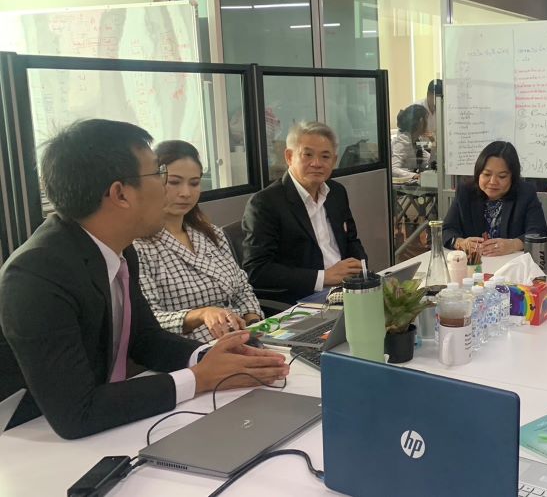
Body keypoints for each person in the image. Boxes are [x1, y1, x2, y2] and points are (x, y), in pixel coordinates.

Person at [0, 119, 288, 439]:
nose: (167, 189)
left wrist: (212, 357)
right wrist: (199, 378)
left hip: (105, 423)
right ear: (120, 194)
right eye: (158, 174)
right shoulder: (36, 276)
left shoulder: (119, 246)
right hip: (31, 440)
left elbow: (145, 338)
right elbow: (76, 412)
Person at [134, 140, 263, 343]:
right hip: (190, 348)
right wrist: (200, 315)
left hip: (241, 338)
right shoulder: (138, 246)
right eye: (174, 182)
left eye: (194, 183)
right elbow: (147, 320)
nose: (185, 193)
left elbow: (242, 288)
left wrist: (253, 322)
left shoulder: (211, 233)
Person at [242, 121, 366, 304]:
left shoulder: (336, 192)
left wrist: (361, 269)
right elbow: (257, 270)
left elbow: (351, 240)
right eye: (307, 155)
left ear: (334, 161)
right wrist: (324, 277)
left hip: (346, 289)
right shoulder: (265, 203)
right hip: (303, 298)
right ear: (289, 156)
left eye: (325, 156)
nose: (317, 163)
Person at [442, 141, 547, 257]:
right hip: (474, 263)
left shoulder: (525, 193)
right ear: (478, 173)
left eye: (502, 176)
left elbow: (538, 232)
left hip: (510, 262)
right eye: (487, 174)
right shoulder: (466, 191)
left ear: (512, 177)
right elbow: (447, 230)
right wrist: (460, 243)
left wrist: (513, 245)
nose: (493, 182)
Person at [391, 104, 429, 180]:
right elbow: (393, 169)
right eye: (427, 119)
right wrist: (415, 176)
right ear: (421, 121)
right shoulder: (402, 141)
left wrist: (434, 145)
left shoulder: (416, 140)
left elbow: (427, 161)